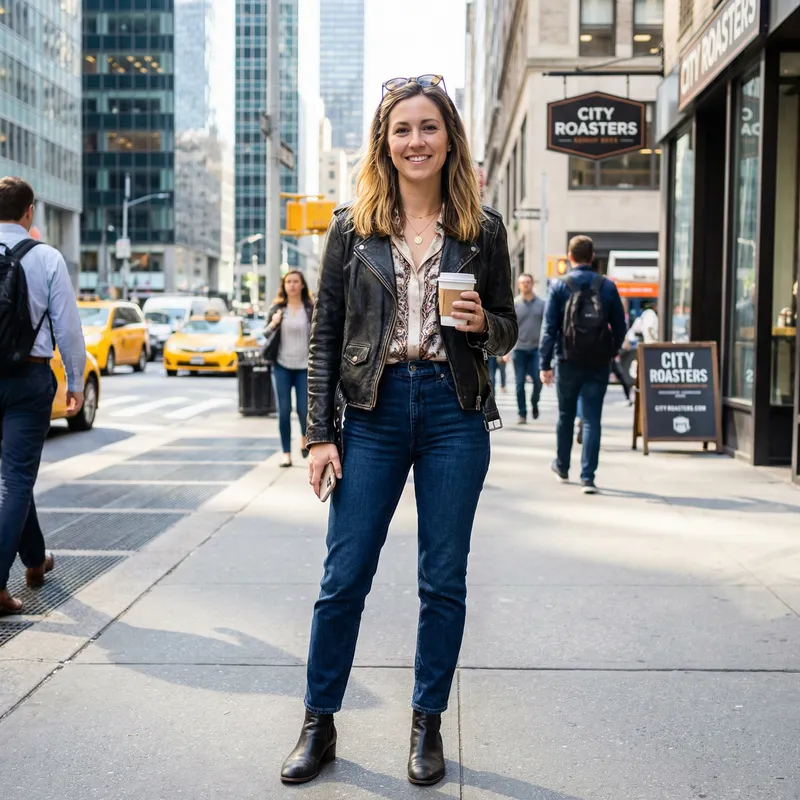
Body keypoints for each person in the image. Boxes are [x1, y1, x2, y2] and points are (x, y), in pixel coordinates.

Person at [280, 74, 517, 786]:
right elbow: (325, 335)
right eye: (402, 129)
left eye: (428, 127)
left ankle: (426, 726)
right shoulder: (354, 227)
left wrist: (487, 326)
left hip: (454, 411)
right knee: (343, 576)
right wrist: (320, 434)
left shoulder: (484, 231)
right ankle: (318, 724)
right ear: (385, 142)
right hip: (373, 414)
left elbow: (506, 329)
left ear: (450, 139)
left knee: (441, 580)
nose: (416, 141)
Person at [0, 177, 86, 613]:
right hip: (30, 378)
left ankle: (35, 561)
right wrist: (76, 381)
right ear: (28, 211)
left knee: (17, 476)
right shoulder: (46, 258)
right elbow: (67, 327)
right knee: (16, 478)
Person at [539, 235, 625, 494]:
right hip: (598, 363)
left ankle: (562, 465)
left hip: (567, 360)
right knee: (591, 419)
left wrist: (545, 363)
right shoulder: (607, 286)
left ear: (570, 256)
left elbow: (549, 328)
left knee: (565, 415)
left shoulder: (559, 286)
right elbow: (620, 327)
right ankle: (588, 476)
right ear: (592, 256)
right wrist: (610, 352)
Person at [266, 270, 314, 467]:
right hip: (282, 366)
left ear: (302, 285)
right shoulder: (278, 308)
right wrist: (274, 323)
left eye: (296, 281)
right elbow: (265, 333)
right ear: (284, 285)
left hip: (304, 366)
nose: (292, 285)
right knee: (284, 411)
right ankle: (286, 453)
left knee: (304, 410)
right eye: (288, 282)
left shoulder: (311, 308)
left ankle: (304, 438)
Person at [506, 273, 545, 423]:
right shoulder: (514, 305)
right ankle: (522, 413)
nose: (526, 285)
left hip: (536, 349)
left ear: (532, 283)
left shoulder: (542, 304)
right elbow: (509, 329)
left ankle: (534, 403)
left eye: (528, 282)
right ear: (519, 285)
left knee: (537, 380)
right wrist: (507, 350)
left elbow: (547, 327)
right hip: (519, 349)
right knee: (519, 383)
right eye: (523, 283)